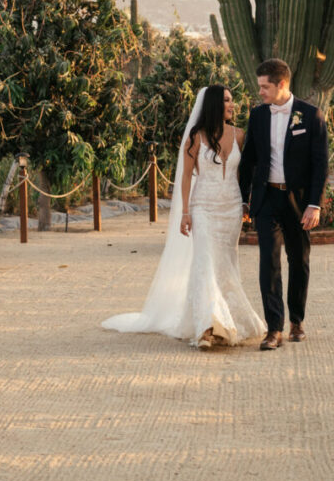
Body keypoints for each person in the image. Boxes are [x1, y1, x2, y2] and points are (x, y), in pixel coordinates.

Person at [101, 85, 266, 348]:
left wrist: (245, 204)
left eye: (232, 100)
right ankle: (208, 327)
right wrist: (186, 212)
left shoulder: (239, 135)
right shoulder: (195, 138)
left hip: (231, 208)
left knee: (226, 263)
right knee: (204, 262)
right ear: (213, 104)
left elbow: (241, 174)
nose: (232, 105)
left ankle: (228, 318)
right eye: (226, 100)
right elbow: (186, 176)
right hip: (203, 207)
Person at [236, 58, 328, 351]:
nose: (260, 91)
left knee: (299, 261)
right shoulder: (258, 115)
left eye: (265, 86)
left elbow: (320, 164)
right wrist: (244, 199)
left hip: (299, 201)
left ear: (282, 84)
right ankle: (273, 329)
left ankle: (296, 322)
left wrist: (314, 204)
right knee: (269, 262)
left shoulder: (311, 115)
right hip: (267, 199)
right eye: (259, 86)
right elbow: (248, 159)